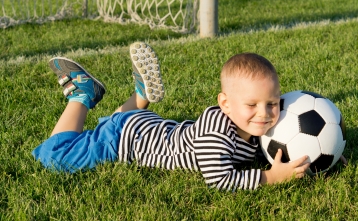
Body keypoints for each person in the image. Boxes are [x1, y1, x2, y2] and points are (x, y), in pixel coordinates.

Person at [32, 42, 311, 191]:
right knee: (55, 155)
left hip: (150, 127)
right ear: (225, 104)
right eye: (252, 105)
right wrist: (271, 178)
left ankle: (140, 96)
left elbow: (272, 148)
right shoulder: (216, 135)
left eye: (272, 104)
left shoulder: (249, 125)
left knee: (108, 124)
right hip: (127, 141)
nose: (264, 114)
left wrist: (313, 153)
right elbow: (220, 179)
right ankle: (82, 94)